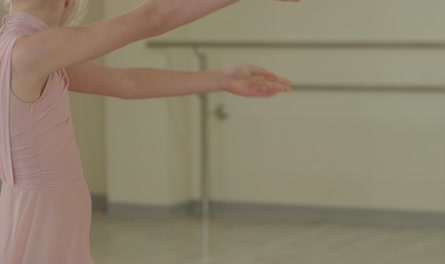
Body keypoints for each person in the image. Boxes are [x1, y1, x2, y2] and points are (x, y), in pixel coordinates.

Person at [0, 0, 300, 263]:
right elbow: (152, 18)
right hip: (43, 218)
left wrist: (222, 78)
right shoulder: (31, 52)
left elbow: (128, 83)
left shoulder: (20, 51)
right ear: (68, 3)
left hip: (34, 211)